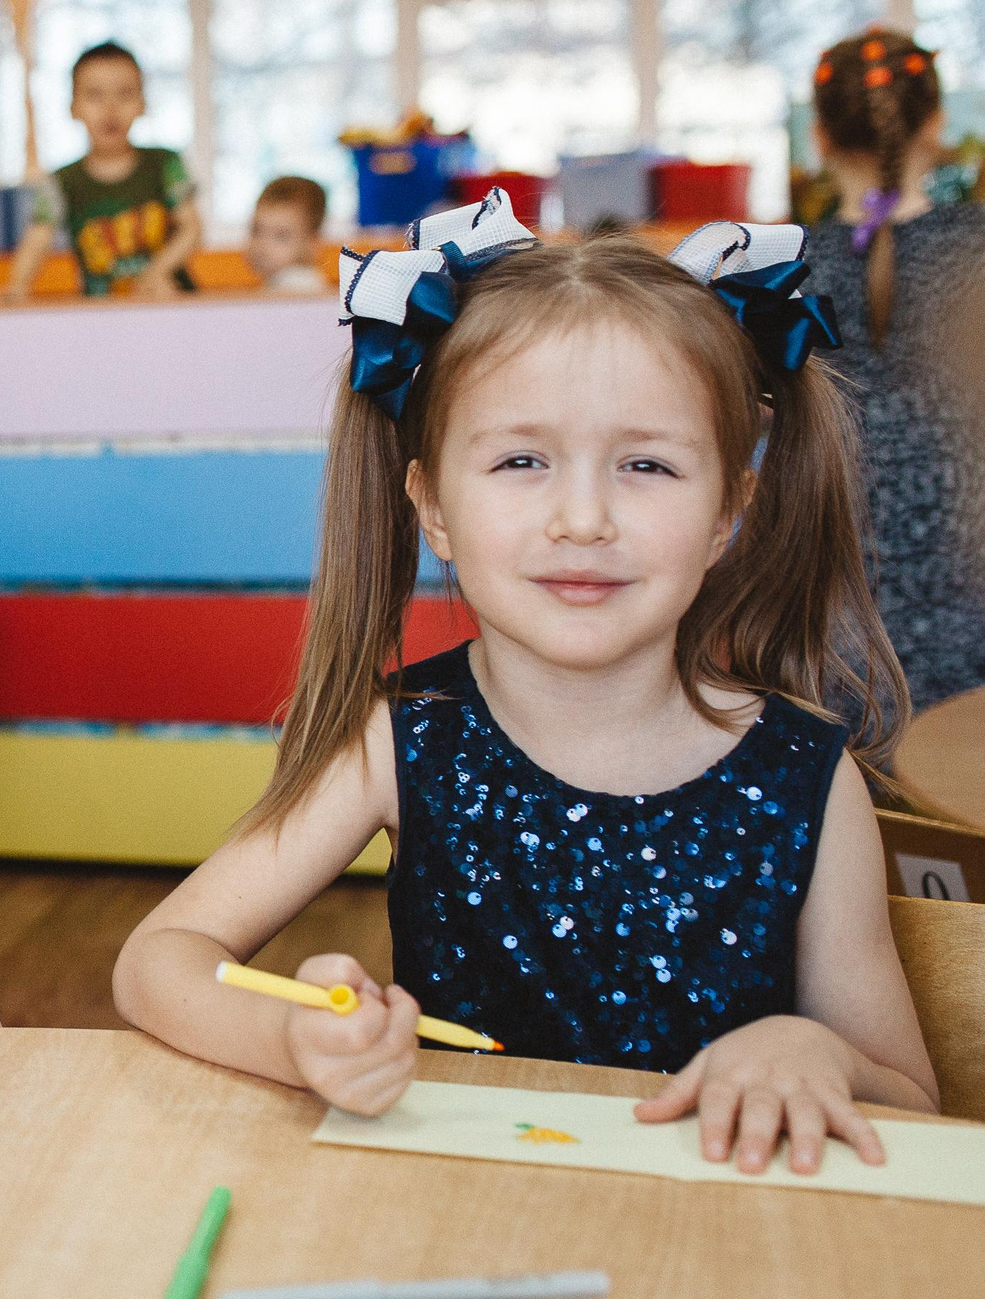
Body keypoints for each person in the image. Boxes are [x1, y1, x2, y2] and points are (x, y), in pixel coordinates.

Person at [112, 192, 938, 1176]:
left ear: (728, 509)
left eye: (644, 463)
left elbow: (915, 1101)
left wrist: (822, 1053)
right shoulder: (398, 738)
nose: (581, 516)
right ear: (433, 507)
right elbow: (157, 960)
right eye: (519, 459)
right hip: (465, 1229)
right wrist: (294, 1038)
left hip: (731, 1263)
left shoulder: (808, 780)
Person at [803, 27, 985, 716]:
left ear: (819, 138)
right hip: (971, 608)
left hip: (838, 631)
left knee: (856, 809)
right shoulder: (976, 250)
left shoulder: (784, 271)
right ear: (935, 127)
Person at [0, 41, 200, 300]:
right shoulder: (60, 182)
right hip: (99, 315)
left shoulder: (165, 164)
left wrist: (156, 273)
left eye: (124, 94)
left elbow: (191, 227)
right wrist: (17, 286)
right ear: (73, 108)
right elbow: (38, 238)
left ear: (142, 104)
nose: (110, 108)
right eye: (94, 95)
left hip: (170, 303)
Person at [245, 175, 332, 294]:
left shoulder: (299, 284)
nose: (262, 244)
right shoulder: (277, 282)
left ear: (312, 243)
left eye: (281, 236)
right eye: (257, 230)